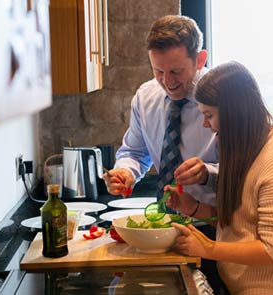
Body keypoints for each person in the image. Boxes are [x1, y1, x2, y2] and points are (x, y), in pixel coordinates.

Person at [167, 61, 273, 295]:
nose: (205, 124)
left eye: (209, 115)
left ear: (234, 112)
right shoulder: (245, 146)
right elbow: (242, 223)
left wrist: (209, 248)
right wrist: (195, 208)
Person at [102, 14, 222, 293]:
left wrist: (208, 173)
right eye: (158, 71)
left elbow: (245, 169)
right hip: (163, 225)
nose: (167, 81)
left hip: (212, 226)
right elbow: (134, 150)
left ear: (200, 59)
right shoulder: (145, 97)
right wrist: (126, 171)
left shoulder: (221, 99)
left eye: (176, 72)